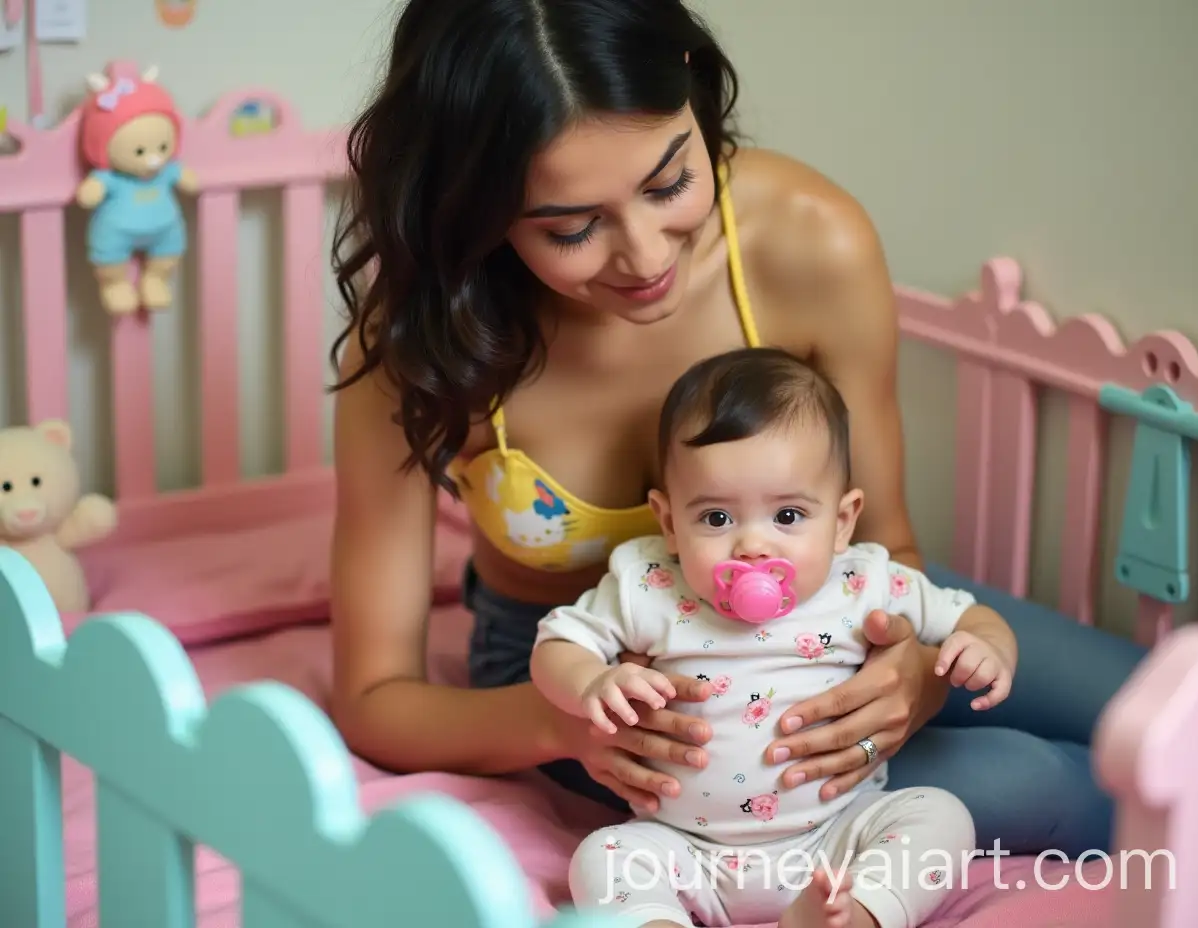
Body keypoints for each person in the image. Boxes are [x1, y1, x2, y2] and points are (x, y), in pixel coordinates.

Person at [326, 0, 1145, 859]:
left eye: (670, 182)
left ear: (692, 85)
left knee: (1168, 703)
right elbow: (377, 696)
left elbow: (889, 547)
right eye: (572, 227)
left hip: (834, 612)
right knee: (1032, 779)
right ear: (477, 207)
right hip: (611, 681)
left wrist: (914, 676)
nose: (645, 257)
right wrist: (561, 725)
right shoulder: (423, 344)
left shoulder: (807, 242)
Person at [529, 347, 1007, 928]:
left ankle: (852, 917)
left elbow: (973, 618)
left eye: (787, 517)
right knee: (603, 858)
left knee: (941, 817)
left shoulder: (864, 581)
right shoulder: (649, 584)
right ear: (668, 521)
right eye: (716, 518)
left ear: (843, 519)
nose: (752, 546)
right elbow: (557, 643)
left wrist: (985, 648)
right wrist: (592, 682)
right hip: (684, 847)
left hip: (835, 835)